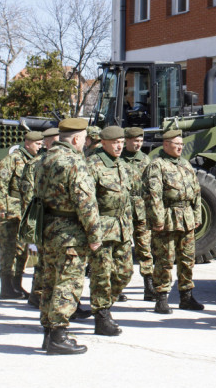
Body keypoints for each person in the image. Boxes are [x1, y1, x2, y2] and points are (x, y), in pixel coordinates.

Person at [36, 118, 102, 355]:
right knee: (68, 281)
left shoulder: (44, 158)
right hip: (69, 232)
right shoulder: (74, 161)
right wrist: (95, 234)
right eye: (84, 139)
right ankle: (58, 335)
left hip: (47, 227)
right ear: (76, 139)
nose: (84, 143)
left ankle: (48, 333)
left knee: (50, 281)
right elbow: (85, 202)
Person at [143, 129, 204, 314]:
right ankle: (161, 298)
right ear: (166, 144)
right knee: (165, 259)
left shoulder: (185, 164)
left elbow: (197, 192)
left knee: (187, 259)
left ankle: (186, 296)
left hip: (186, 217)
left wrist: (197, 215)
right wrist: (157, 219)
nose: (180, 147)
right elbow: (153, 196)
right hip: (167, 217)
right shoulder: (157, 165)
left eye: (181, 144)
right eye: (176, 144)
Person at [86, 126, 134, 336]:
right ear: (103, 143)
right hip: (102, 229)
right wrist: (92, 232)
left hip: (122, 228)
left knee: (125, 272)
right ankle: (101, 315)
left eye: (122, 142)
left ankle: (104, 304)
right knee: (101, 274)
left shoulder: (122, 165)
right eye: (115, 142)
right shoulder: (93, 166)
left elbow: (128, 199)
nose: (119, 146)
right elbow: (88, 203)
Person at [0, 131, 43, 299]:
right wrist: (1, 208)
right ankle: (5, 287)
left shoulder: (33, 161)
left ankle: (17, 285)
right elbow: (0, 184)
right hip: (10, 211)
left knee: (22, 250)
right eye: (37, 144)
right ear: (27, 143)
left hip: (24, 211)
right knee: (8, 250)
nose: (40, 147)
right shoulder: (12, 159)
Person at [20, 127, 59, 309]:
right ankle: (38, 295)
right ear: (47, 142)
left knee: (50, 261)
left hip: (57, 219)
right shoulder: (37, 163)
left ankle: (42, 295)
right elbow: (29, 196)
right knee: (43, 259)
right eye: (56, 140)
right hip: (43, 217)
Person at [122, 126, 155, 301]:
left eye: (140, 141)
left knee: (145, 247)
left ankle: (149, 285)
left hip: (141, 208)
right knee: (122, 248)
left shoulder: (145, 160)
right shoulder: (118, 159)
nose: (138, 144)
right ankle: (118, 286)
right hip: (123, 209)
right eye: (135, 141)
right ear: (127, 140)